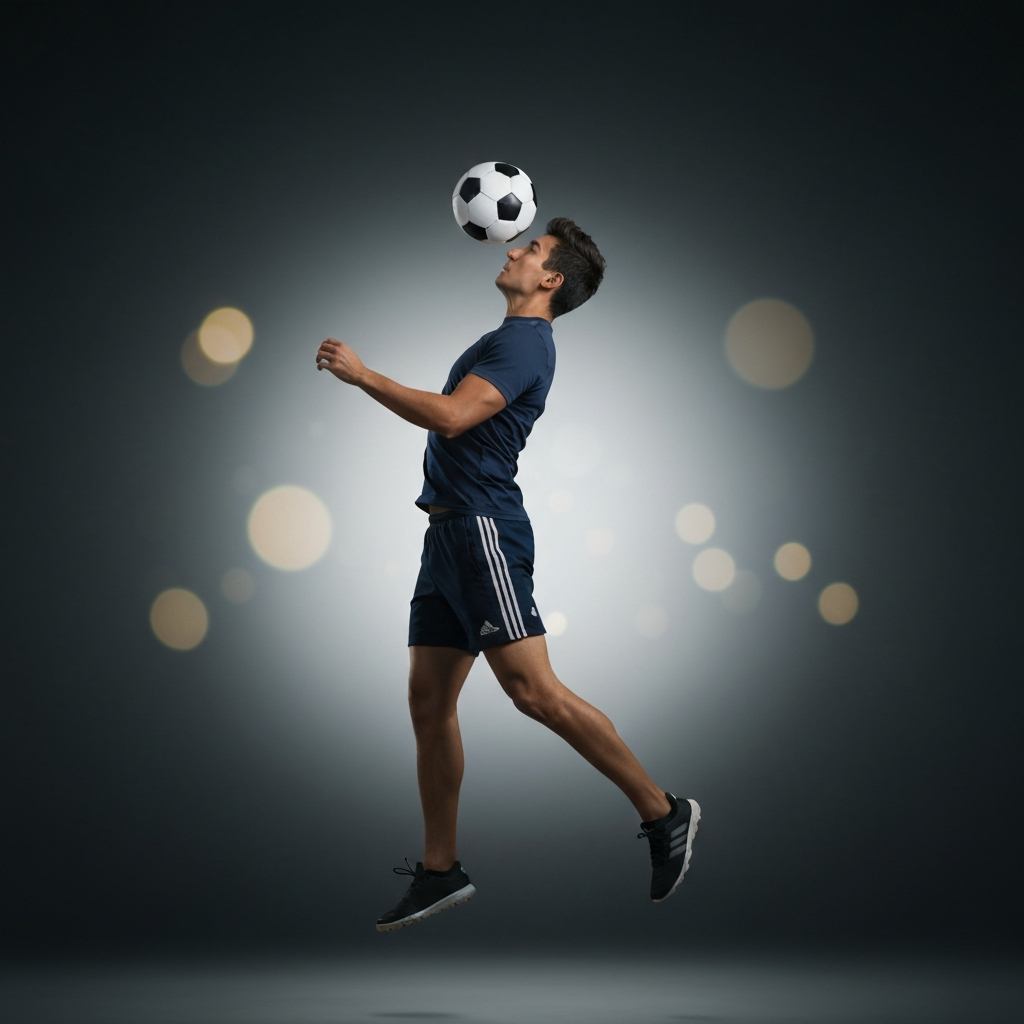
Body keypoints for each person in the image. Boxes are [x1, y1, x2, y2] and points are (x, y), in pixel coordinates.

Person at [315, 218, 700, 932]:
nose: (514, 249)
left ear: (551, 280)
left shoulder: (524, 343)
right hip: (447, 538)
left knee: (532, 692)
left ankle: (663, 812)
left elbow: (453, 417)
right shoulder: (508, 338)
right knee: (428, 703)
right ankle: (441, 871)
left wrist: (363, 375)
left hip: (481, 532)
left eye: (533, 249)